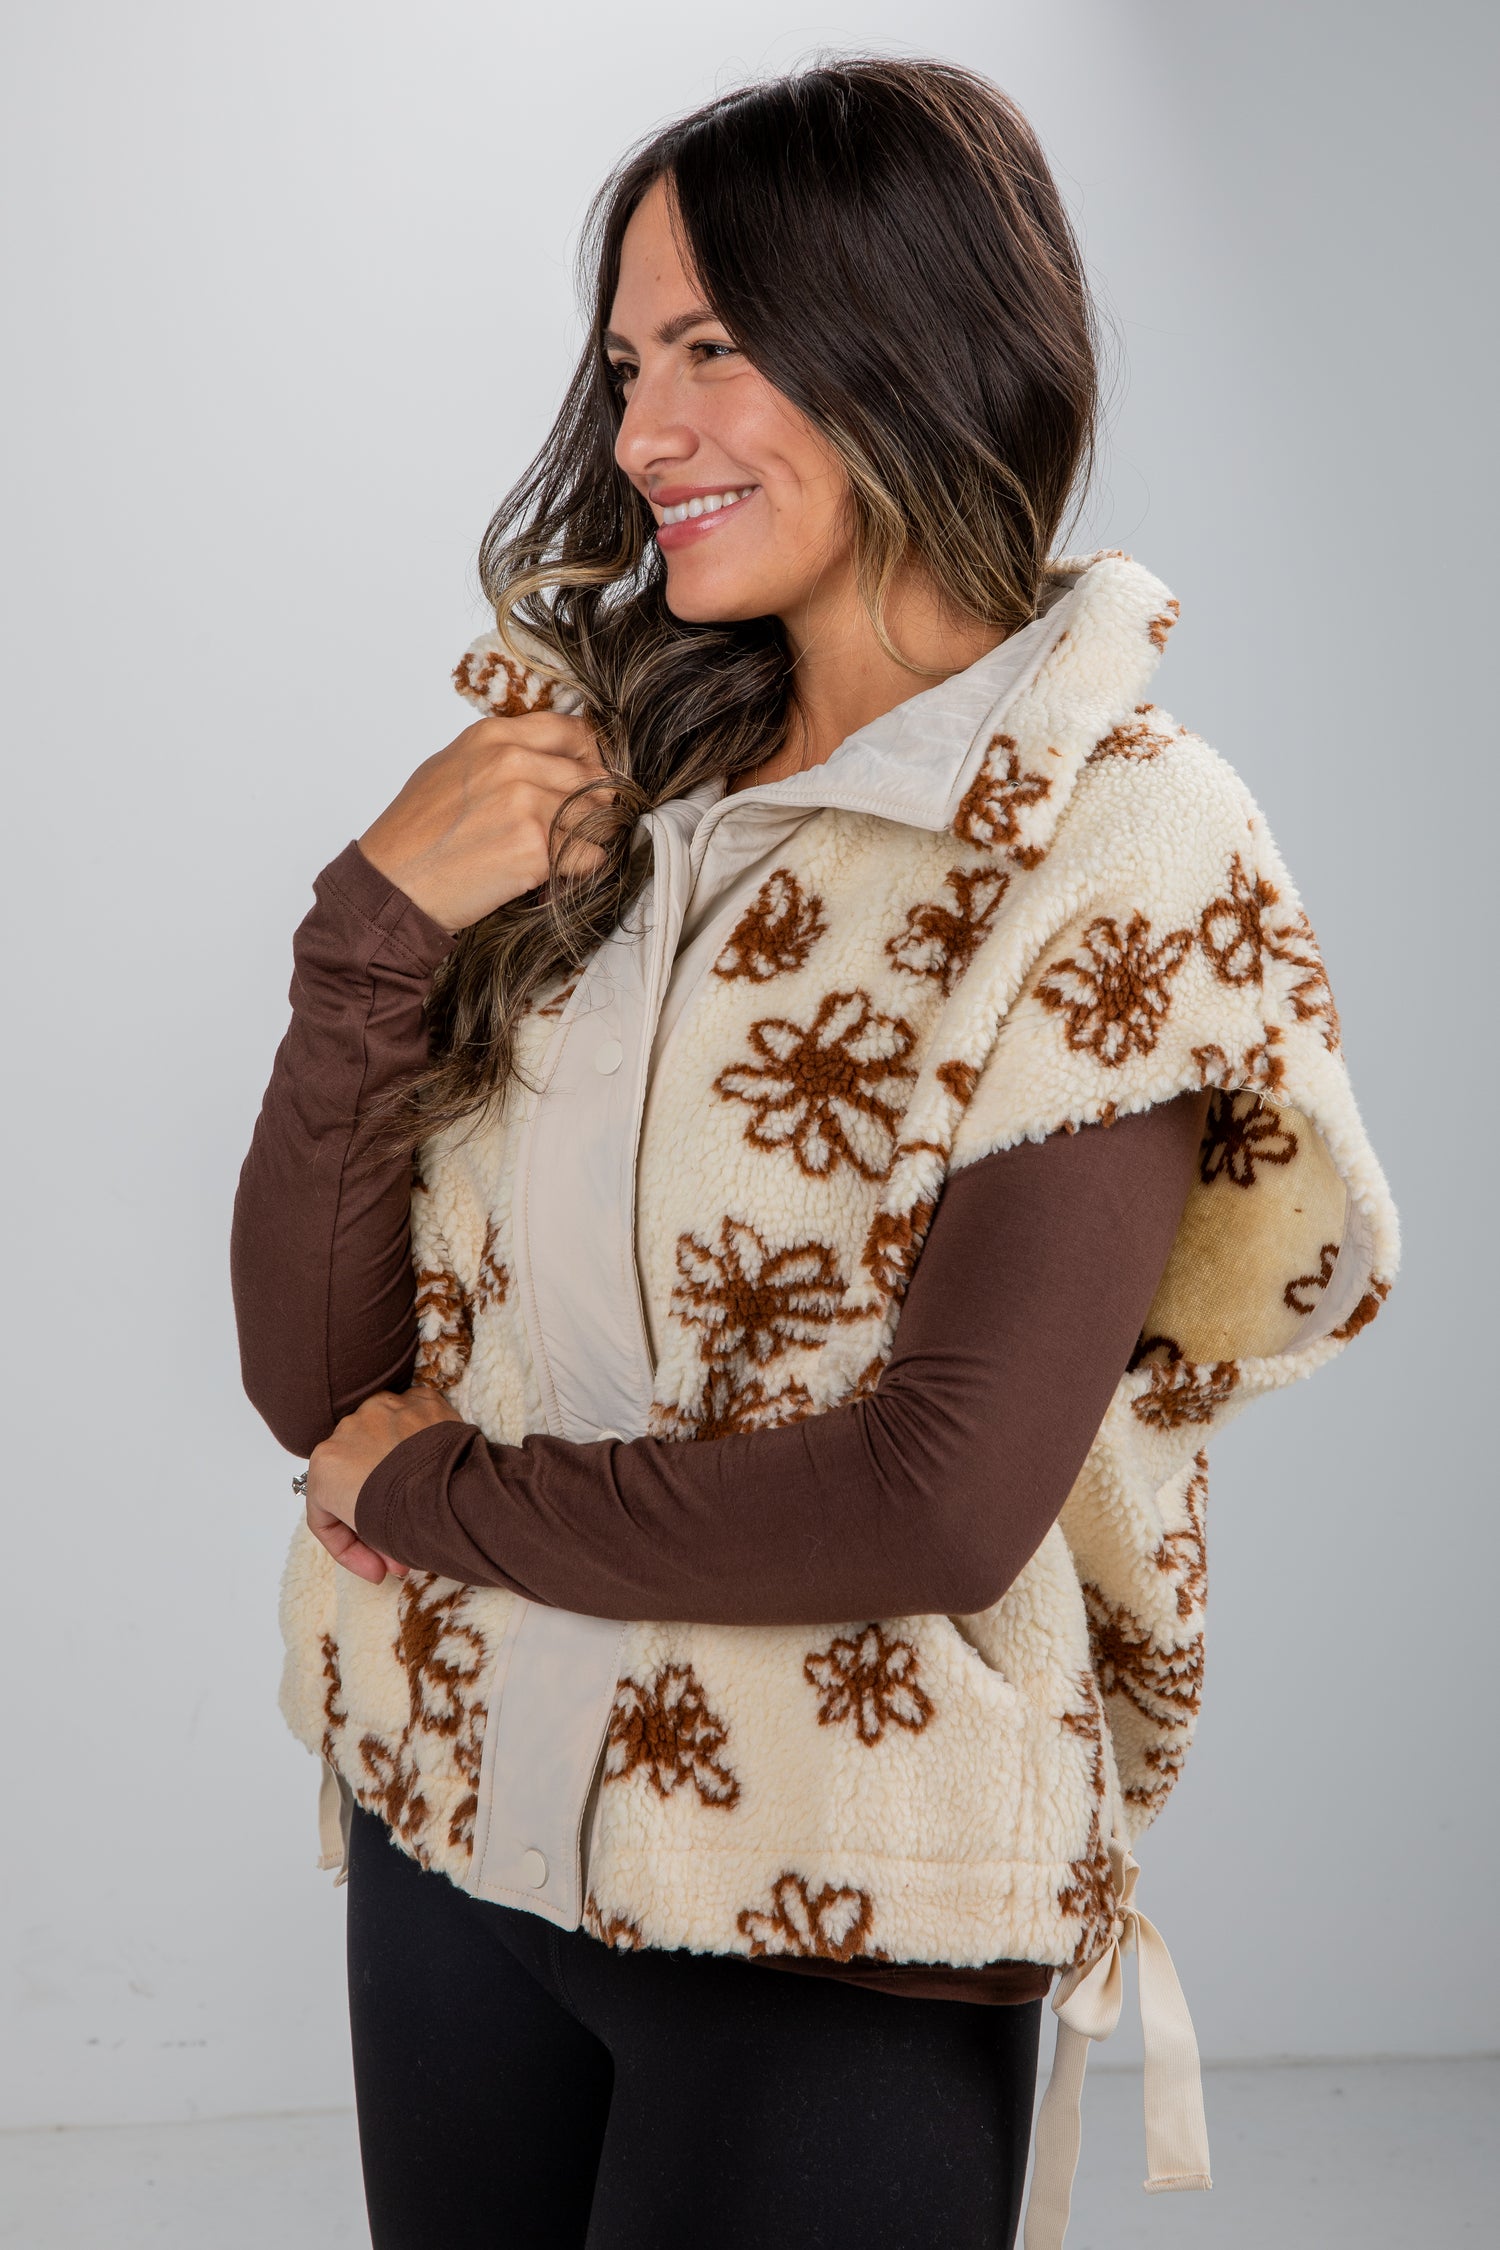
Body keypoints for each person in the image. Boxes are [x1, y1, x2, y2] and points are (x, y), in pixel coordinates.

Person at [232, 57, 1398, 2250]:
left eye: (715, 348)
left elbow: (935, 1497)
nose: (644, 432)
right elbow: (324, 1385)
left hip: (836, 1900)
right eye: (623, 364)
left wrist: (427, 1498)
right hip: (455, 1821)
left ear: (917, 331)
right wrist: (371, 924)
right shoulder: (593, 774)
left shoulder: (1113, 839)